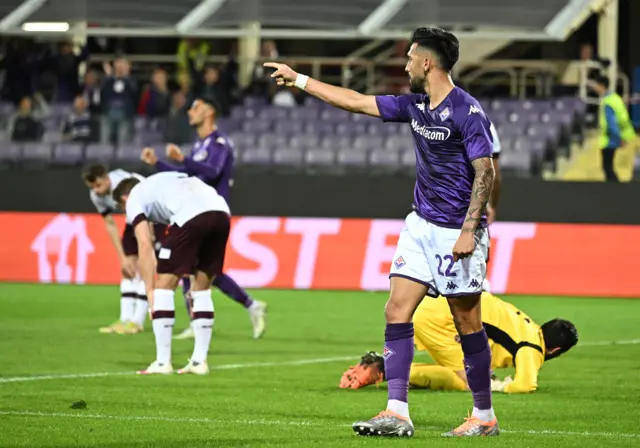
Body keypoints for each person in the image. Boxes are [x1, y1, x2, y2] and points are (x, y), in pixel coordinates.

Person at [266, 27, 496, 438]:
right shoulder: (417, 106)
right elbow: (354, 101)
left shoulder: (467, 111)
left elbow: (486, 170)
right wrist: (299, 79)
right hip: (420, 226)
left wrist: (468, 230)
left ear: (427, 62)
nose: (404, 64)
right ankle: (396, 411)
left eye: (409, 57)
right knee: (395, 310)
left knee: (466, 321)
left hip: (457, 232)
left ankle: (484, 415)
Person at [140, 95, 267, 340]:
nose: (189, 111)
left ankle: (241, 307)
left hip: (211, 213)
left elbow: (213, 171)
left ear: (209, 112)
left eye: (195, 107)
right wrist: (158, 164)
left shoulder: (219, 143)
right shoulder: (199, 146)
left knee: (195, 268)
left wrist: (183, 159)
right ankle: (246, 307)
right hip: (196, 211)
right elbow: (185, 176)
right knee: (197, 269)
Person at [339, 292, 578, 393]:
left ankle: (389, 366)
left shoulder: (527, 326)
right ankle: (383, 368)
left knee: (474, 373)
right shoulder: (533, 347)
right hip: (439, 320)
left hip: (438, 309)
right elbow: (525, 385)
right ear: (555, 350)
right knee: (469, 383)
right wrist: (498, 385)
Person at [112, 171, 230, 375]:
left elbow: (145, 244)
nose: (126, 215)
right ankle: (199, 362)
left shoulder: (134, 198)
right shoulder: (162, 182)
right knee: (201, 289)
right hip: (221, 213)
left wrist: (150, 291)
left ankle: (162, 362)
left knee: (163, 288)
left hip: (191, 215)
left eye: (122, 209)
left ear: (124, 198)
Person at [82, 164, 166, 334]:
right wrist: (122, 257)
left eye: (98, 185)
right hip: (133, 220)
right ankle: (125, 319)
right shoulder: (96, 196)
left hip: (154, 217)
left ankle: (137, 321)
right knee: (128, 268)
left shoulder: (125, 182)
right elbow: (110, 224)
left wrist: (148, 238)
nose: (96, 191)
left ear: (106, 178)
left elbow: (150, 202)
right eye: (92, 188)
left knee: (146, 267)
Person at [589, 74, 637, 182]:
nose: (595, 88)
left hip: (611, 140)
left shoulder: (607, 102)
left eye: (596, 85)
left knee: (607, 167)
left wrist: (619, 139)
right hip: (622, 136)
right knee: (608, 167)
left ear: (602, 86)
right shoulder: (615, 98)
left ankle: (615, 191)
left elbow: (612, 124)